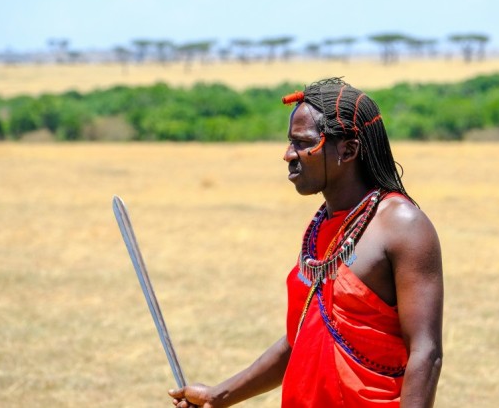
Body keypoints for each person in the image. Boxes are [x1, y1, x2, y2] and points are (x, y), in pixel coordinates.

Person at [168, 77, 443, 408]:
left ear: (348, 150)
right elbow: (300, 339)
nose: (288, 155)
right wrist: (217, 396)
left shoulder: (402, 225)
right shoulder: (321, 228)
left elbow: (425, 352)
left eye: (302, 143)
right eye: (289, 142)